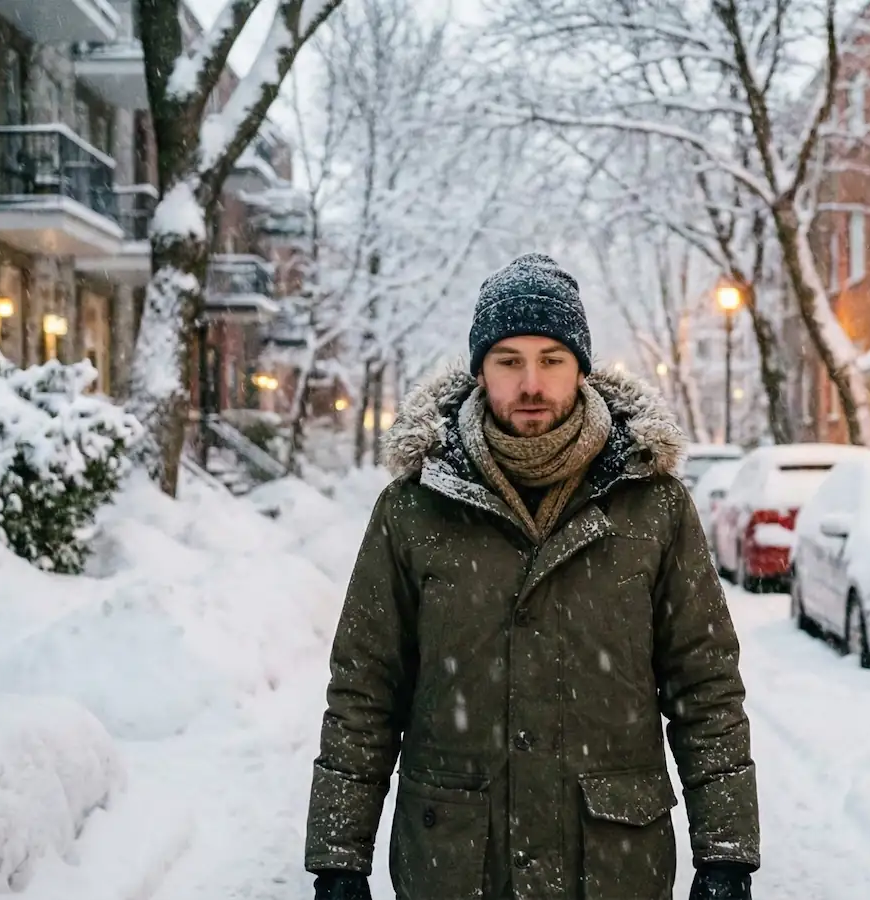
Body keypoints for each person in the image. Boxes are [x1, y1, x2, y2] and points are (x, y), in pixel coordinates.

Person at [304, 253, 759, 900]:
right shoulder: (412, 510)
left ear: (581, 368)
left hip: (613, 863)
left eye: (551, 359)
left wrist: (727, 852)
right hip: (456, 862)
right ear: (480, 371)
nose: (531, 384)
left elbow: (705, 684)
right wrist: (337, 857)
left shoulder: (651, 504)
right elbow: (364, 691)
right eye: (508, 361)